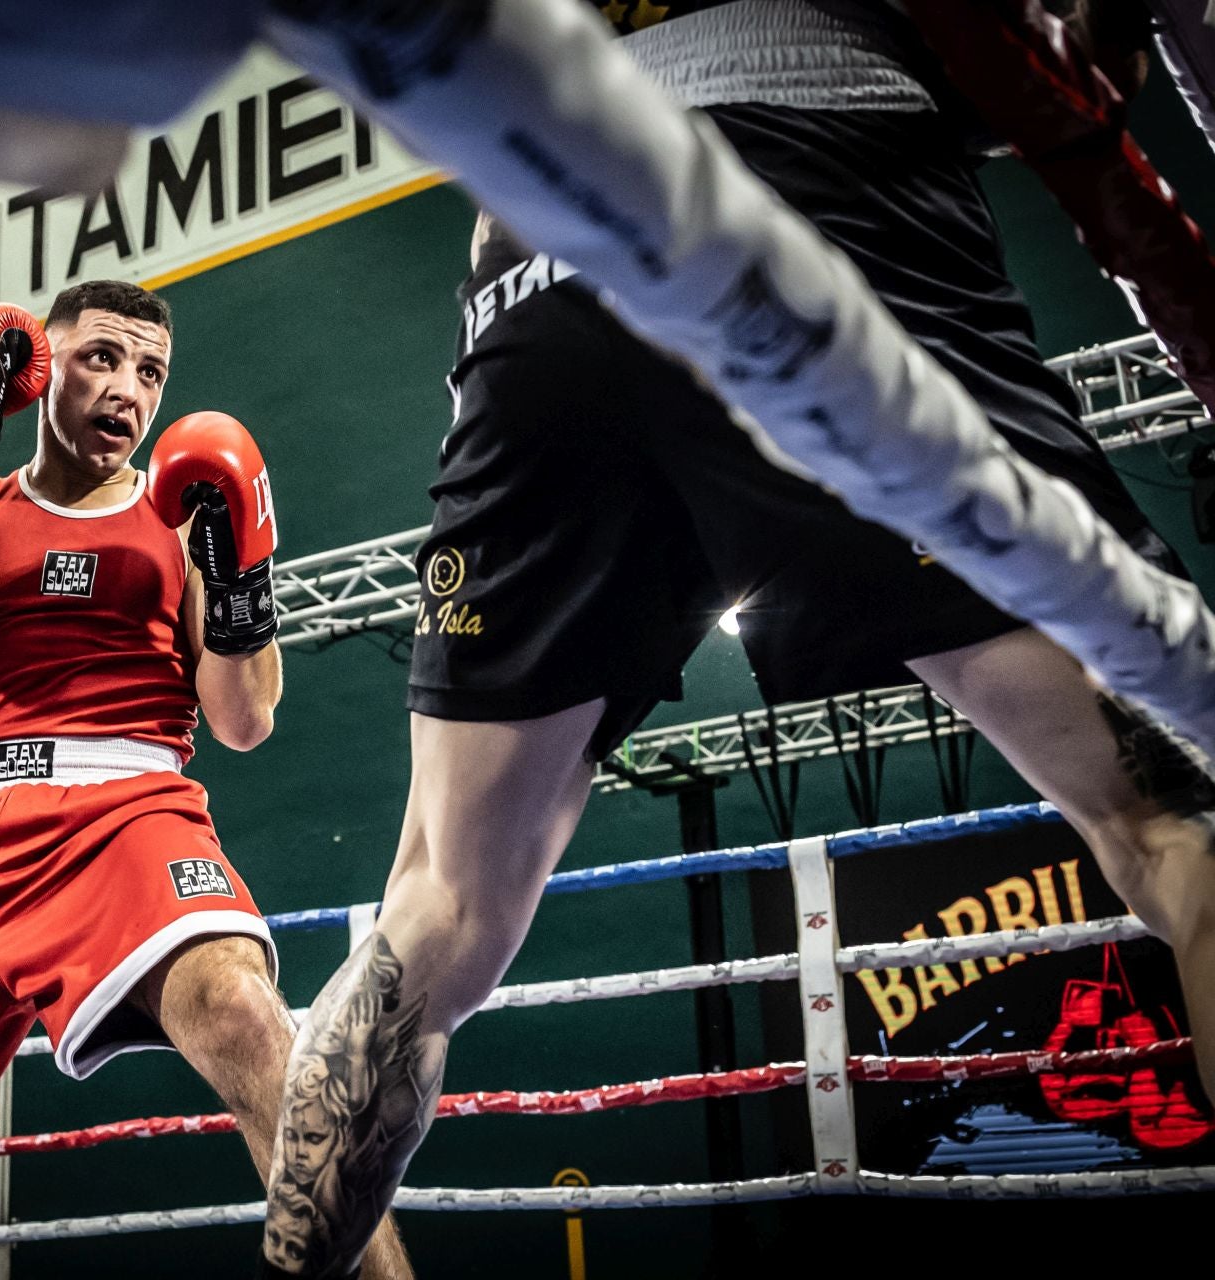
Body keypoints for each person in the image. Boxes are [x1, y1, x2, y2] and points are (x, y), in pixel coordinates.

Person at [260, 4, 1215, 1275]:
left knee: (429, 913)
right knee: (1170, 817)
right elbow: (1047, 50)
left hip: (533, 259)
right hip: (814, 167)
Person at [0, 280, 410, 1279]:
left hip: (127, 812)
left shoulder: (179, 516)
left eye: (151, 371)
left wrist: (237, 568)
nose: (129, 390)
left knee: (246, 1016)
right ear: (41, 366)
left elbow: (244, 717)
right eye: (101, 357)